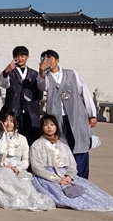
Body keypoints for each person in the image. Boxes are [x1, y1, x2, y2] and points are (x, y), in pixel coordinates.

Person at [30, 115, 113, 211]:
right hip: (46, 177)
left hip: (65, 175)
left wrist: (69, 176)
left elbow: (72, 164)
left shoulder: (63, 146)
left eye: (52, 125)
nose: (49, 127)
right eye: (46, 125)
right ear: (42, 127)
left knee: (89, 191)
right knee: (61, 195)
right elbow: (36, 167)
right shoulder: (37, 145)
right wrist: (57, 179)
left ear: (56, 127)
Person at [37, 50, 97, 178]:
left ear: (57, 60)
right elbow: (42, 86)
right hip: (57, 119)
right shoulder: (46, 77)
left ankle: (82, 179)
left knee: (80, 146)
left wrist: (91, 114)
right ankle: (66, 178)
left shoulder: (72, 74)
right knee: (62, 148)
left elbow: (84, 91)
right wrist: (41, 71)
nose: (48, 61)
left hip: (76, 116)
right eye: (45, 59)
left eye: (50, 58)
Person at [0, 112, 55, 211]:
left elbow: (26, 160)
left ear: (17, 124)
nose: (8, 123)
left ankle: (25, 199)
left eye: (12, 121)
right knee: (5, 173)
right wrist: (5, 134)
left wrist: (17, 168)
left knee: (26, 182)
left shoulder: (22, 139)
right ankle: (13, 198)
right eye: (6, 121)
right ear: (2, 123)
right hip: (0, 167)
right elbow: (1, 150)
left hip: (16, 169)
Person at [0, 46, 42, 143]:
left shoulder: (34, 74)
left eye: (22, 56)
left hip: (31, 112)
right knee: (13, 137)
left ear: (27, 57)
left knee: (32, 138)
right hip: (14, 109)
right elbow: (2, 83)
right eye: (17, 56)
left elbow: (41, 89)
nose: (20, 59)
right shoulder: (9, 72)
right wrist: (6, 71)